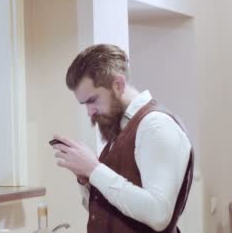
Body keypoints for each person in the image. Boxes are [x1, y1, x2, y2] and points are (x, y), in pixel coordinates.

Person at [52, 44, 193, 232]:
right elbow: (112, 212)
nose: (89, 112)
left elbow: (158, 215)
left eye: (92, 100)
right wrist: (87, 178)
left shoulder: (156, 126)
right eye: (84, 104)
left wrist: (95, 169)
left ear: (118, 85)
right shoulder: (121, 126)